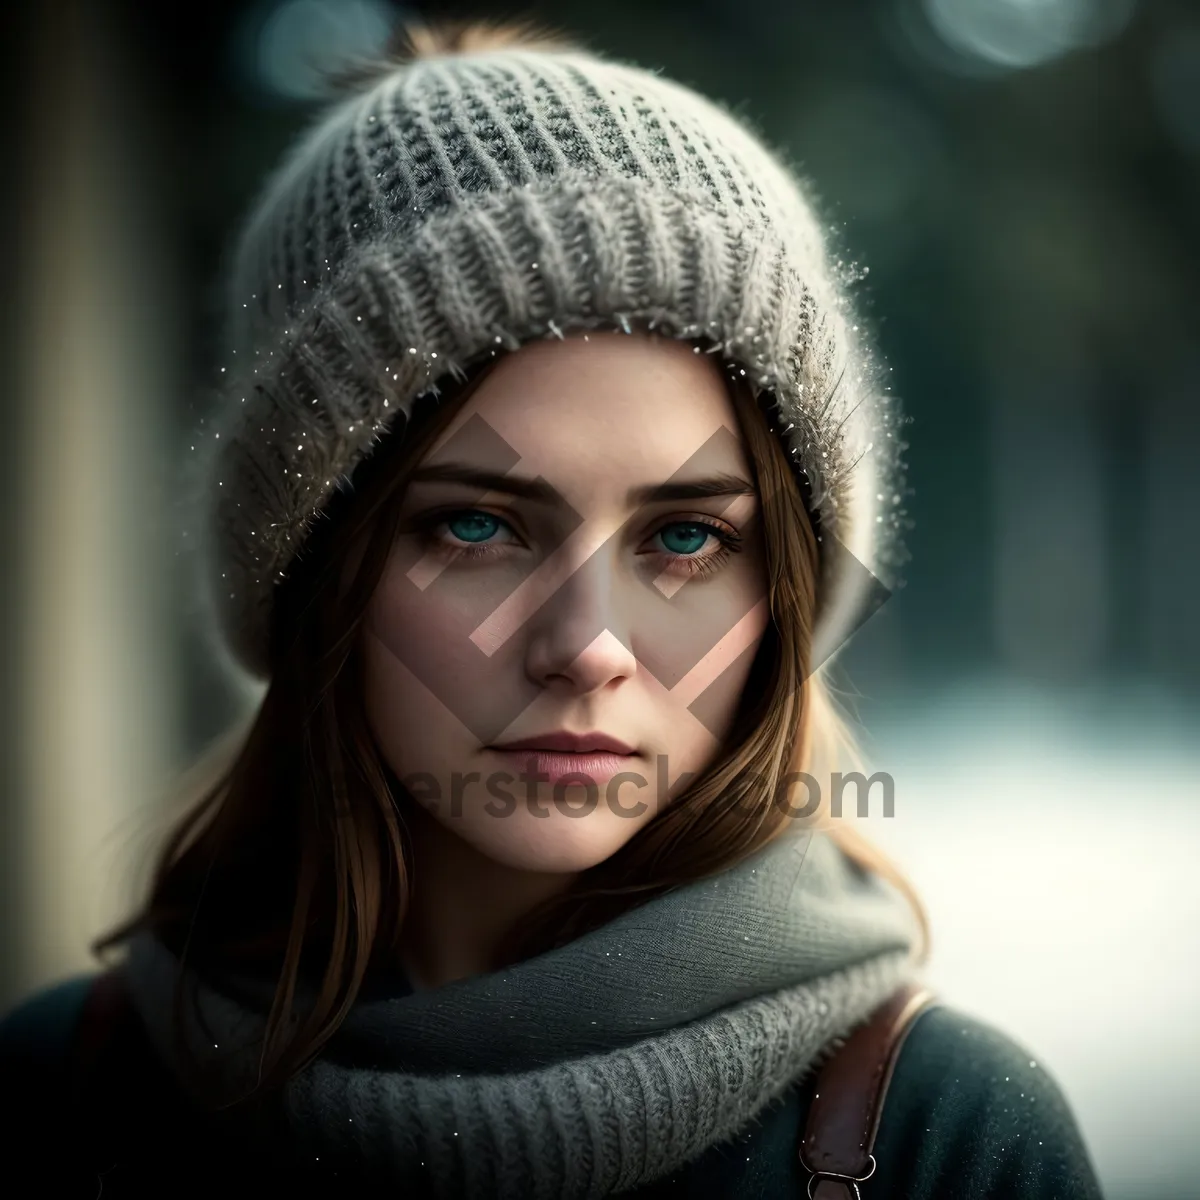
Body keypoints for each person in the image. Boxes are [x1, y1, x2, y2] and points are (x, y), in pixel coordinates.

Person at [0, 17, 1104, 1199]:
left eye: (687, 537)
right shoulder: (63, 1090)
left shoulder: (947, 1137)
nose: (589, 647)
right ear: (319, 570)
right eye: (474, 525)